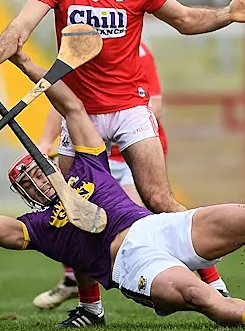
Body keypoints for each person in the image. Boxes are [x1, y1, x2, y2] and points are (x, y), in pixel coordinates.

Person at [0, 0, 245, 326]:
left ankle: (214, 283)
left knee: (158, 198)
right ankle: (90, 309)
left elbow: (184, 18)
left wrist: (227, 14)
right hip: (82, 111)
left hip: (129, 106)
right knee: (78, 213)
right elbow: (19, 27)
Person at [32, 42, 229, 312]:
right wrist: (46, 140)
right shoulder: (77, 52)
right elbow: (62, 103)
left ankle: (214, 283)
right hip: (93, 157)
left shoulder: (136, 52)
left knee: (143, 217)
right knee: (76, 217)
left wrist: (114, 129)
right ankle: (85, 299)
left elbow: (154, 106)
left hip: (125, 155)